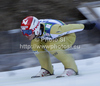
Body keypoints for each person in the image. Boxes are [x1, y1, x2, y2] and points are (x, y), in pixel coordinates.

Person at [21, 16, 95, 78]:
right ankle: (47, 69)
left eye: (28, 32)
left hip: (68, 36)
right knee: (34, 43)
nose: (26, 35)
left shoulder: (53, 30)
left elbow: (70, 27)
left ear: (36, 29)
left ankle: (71, 68)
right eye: (23, 32)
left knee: (51, 46)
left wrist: (85, 26)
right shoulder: (37, 28)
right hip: (51, 37)